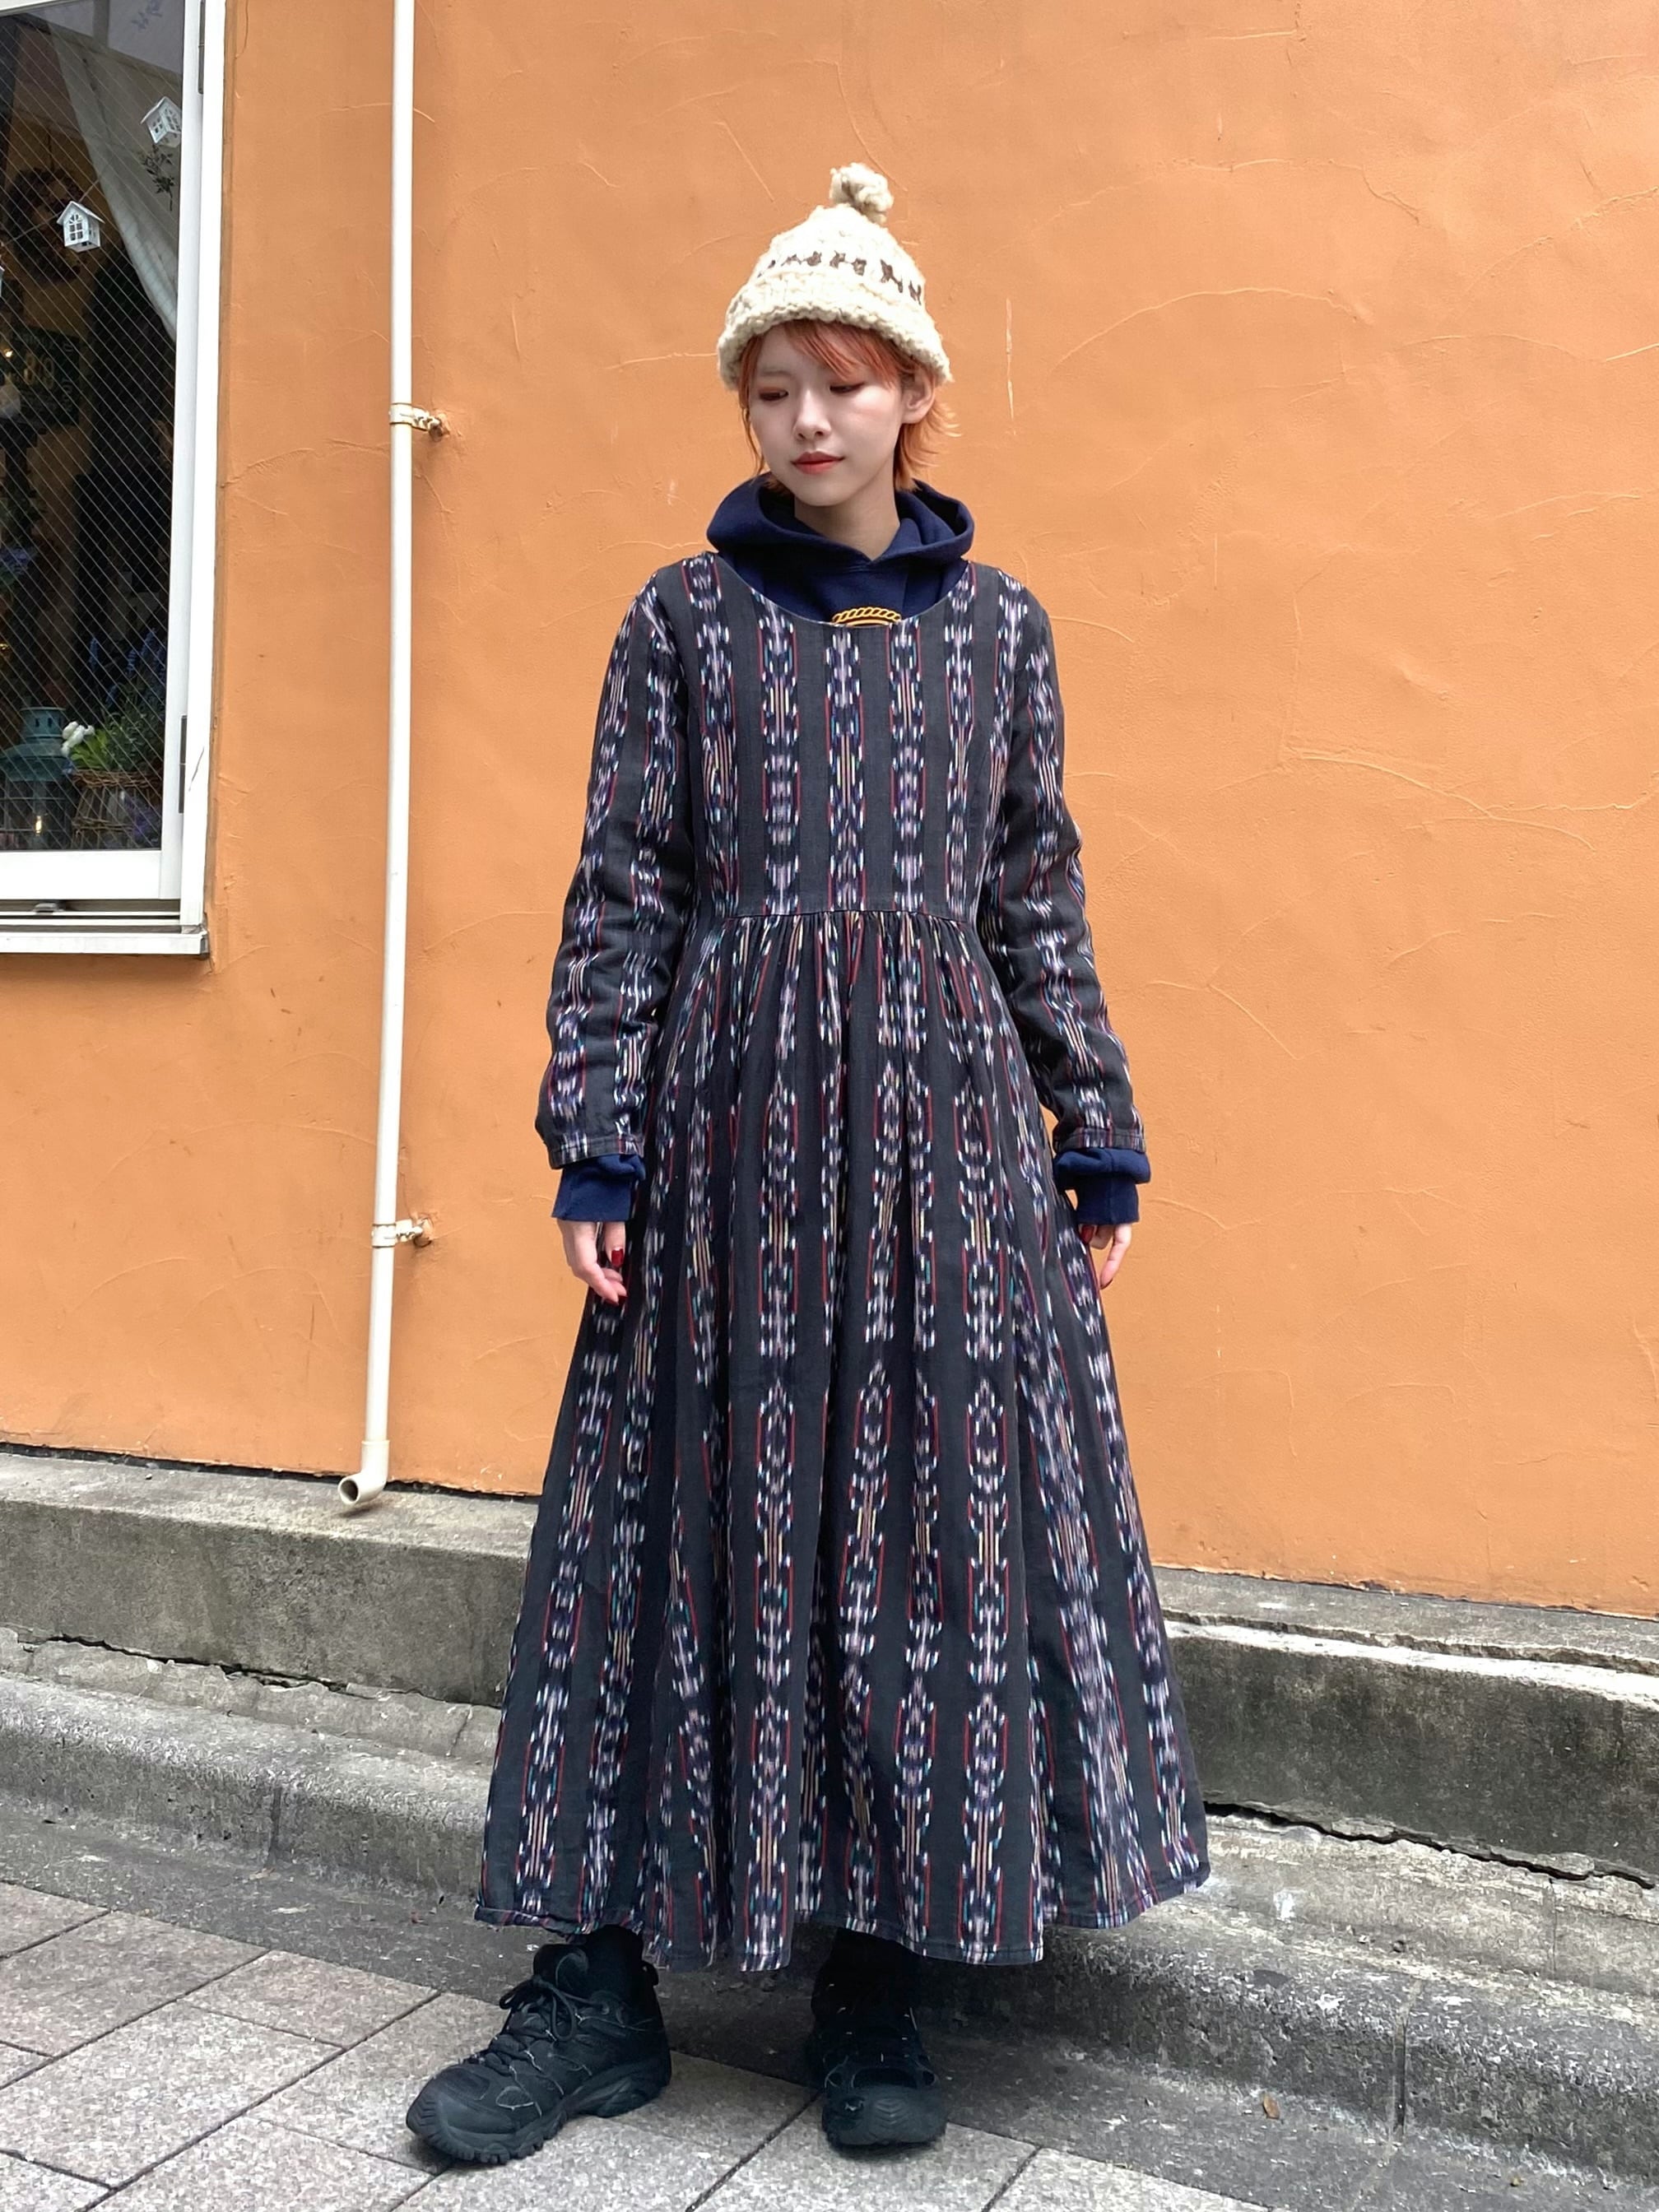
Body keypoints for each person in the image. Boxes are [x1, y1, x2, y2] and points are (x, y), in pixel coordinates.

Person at [406, 163, 1210, 2169]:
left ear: (913, 395)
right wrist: (596, 1138)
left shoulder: (1000, 633)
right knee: (659, 1530)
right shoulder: (680, 622)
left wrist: (1095, 1126)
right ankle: (596, 1992)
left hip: (948, 1150)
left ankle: (876, 1975)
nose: (808, 419)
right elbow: (626, 889)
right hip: (727, 1142)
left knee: (918, 1541)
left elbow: (1032, 887)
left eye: (844, 382)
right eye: (773, 388)